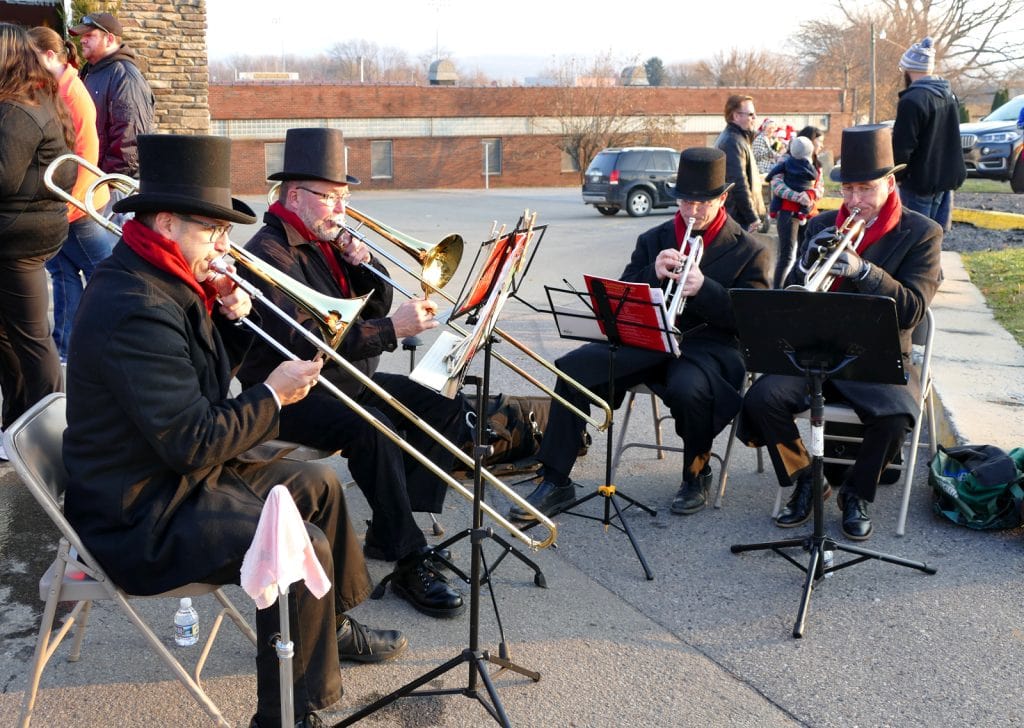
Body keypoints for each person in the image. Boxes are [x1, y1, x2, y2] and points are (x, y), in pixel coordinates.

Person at [63, 134, 406, 728]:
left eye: (225, 233)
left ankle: (332, 625)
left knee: (319, 486)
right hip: (139, 513)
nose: (225, 248)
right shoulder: (136, 303)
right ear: (165, 223)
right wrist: (274, 393)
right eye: (212, 232)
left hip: (171, 474)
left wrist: (233, 327)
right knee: (300, 547)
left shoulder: (165, 277)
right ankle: (288, 714)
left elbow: (197, 386)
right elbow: (194, 437)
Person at [236, 127, 465, 619]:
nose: (341, 210)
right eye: (331, 198)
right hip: (290, 394)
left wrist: (364, 267)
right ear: (294, 195)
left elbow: (368, 309)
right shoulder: (268, 254)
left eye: (344, 197)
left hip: (344, 381)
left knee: (442, 398)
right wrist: (392, 327)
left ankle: (393, 527)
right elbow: (306, 342)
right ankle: (408, 557)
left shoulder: (325, 241)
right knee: (372, 427)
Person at [509, 147, 771, 520]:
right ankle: (556, 479)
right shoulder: (655, 237)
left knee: (689, 389)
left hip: (709, 348)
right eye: (684, 200)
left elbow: (754, 322)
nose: (691, 211)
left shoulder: (750, 249)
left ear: (723, 198)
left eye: (702, 203)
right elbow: (622, 295)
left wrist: (705, 288)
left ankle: (696, 473)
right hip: (648, 339)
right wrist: (653, 272)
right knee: (571, 369)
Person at [737, 124, 942, 541]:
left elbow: (914, 309)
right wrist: (805, 263)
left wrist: (865, 271)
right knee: (761, 399)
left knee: (897, 415)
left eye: (864, 189)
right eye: (847, 190)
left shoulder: (922, 234)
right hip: (814, 353)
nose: (854, 201)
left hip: (875, 357)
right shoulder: (823, 225)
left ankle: (856, 493)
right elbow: (794, 293)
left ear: (889, 183)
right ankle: (808, 479)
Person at [0, 22, 75, 454]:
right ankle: (17, 424)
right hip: (27, 233)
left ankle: (49, 438)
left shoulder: (19, 108)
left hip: (19, 241)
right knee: (11, 337)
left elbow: (4, 179)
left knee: (30, 339)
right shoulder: (35, 96)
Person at [29, 26, 117, 363]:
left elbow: (86, 156)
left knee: (108, 275)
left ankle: (108, 345)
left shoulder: (73, 95)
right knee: (64, 275)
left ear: (49, 56)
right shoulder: (55, 88)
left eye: (31, 57)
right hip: (66, 205)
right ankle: (66, 349)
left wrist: (66, 211)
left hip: (77, 208)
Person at [891, 36, 966, 231]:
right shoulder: (948, 95)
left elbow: (903, 146)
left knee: (914, 238)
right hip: (945, 180)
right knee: (935, 237)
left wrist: (897, 175)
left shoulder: (912, 100)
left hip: (919, 182)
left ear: (908, 69)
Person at [69, 12, 154, 179]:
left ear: (109, 39)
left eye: (89, 35)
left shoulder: (126, 78)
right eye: (82, 36)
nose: (82, 40)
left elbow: (130, 142)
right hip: (92, 181)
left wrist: (106, 182)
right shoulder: (89, 72)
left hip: (112, 188)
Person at [770, 125, 826, 288]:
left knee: (805, 254)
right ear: (808, 141)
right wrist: (797, 197)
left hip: (809, 213)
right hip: (788, 213)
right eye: (819, 142)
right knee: (786, 255)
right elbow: (776, 184)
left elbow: (820, 188)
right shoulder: (786, 160)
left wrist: (810, 195)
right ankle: (777, 292)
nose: (821, 146)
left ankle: (796, 287)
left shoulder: (817, 165)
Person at [715, 94, 765, 234]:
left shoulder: (737, 139)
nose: (755, 118)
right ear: (736, 116)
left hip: (738, 216)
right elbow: (738, 183)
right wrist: (752, 217)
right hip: (738, 218)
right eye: (751, 114)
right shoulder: (733, 142)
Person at [766, 136, 817, 222]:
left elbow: (776, 170)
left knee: (777, 198)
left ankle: (773, 212)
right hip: (802, 191)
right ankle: (802, 214)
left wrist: (768, 177)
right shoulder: (808, 164)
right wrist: (804, 195)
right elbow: (814, 176)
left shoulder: (787, 162)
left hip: (789, 185)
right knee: (804, 203)